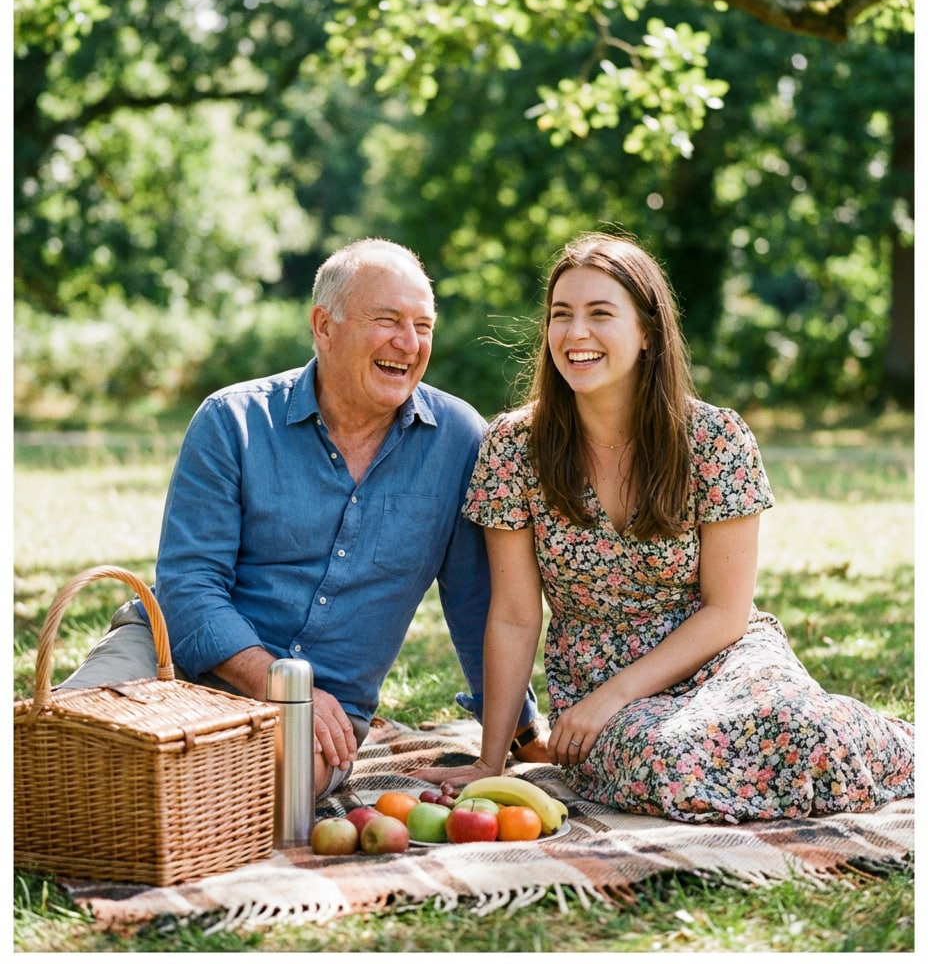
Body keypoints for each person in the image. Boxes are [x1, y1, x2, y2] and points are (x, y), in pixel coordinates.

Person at [421, 232, 915, 822]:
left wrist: (616, 696)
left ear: (648, 332)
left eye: (600, 314)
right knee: (668, 760)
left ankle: (891, 743)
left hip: (721, 653)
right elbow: (514, 615)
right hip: (597, 672)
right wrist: (490, 762)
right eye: (561, 315)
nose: (576, 333)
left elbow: (727, 612)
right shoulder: (514, 447)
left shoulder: (715, 440)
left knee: (805, 728)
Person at [61, 238, 546, 797]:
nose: (408, 343)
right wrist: (280, 684)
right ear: (324, 326)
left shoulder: (459, 441)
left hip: (323, 714)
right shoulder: (231, 421)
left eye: (423, 325)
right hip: (170, 654)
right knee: (67, 742)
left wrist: (522, 733)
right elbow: (190, 586)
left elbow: (476, 606)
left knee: (243, 792)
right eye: (387, 320)